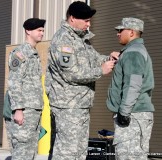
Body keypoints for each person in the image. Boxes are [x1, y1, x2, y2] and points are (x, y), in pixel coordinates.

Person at [45, 1, 119, 160]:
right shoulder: (64, 40)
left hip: (80, 104)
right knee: (67, 152)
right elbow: (71, 73)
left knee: (78, 151)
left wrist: (109, 58)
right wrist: (101, 70)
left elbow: (94, 58)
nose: (89, 24)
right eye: (86, 20)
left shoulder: (80, 39)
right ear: (72, 18)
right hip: (68, 105)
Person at [106, 17, 155, 160]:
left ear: (132, 32)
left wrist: (124, 112)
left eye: (121, 30)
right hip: (137, 115)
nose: (118, 33)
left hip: (132, 115)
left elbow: (133, 84)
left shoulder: (133, 53)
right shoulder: (134, 51)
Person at [4, 18, 46, 160]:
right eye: (39, 30)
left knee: (29, 152)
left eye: (43, 30)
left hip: (33, 110)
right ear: (28, 31)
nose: (42, 33)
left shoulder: (33, 53)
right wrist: (18, 109)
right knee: (21, 152)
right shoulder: (20, 53)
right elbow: (14, 81)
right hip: (24, 111)